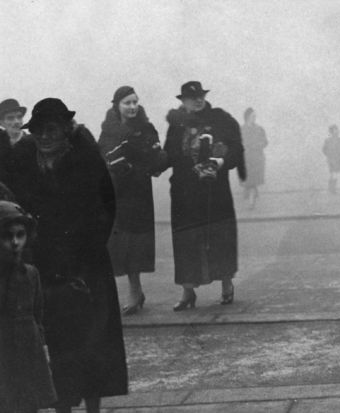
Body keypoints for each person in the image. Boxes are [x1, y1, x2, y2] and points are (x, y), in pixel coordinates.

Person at [5, 98, 128, 413]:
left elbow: (105, 208)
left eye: (51, 130)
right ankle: (63, 407)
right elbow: (17, 205)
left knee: (93, 344)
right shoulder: (25, 161)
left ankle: (93, 407)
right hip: (47, 267)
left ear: (64, 130)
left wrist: (83, 253)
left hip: (87, 267)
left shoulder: (85, 159)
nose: (44, 137)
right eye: (39, 131)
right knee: (59, 346)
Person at [164, 81, 245, 310]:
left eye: (200, 95)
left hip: (214, 191)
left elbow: (237, 150)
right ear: (183, 101)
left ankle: (226, 285)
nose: (197, 100)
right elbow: (168, 154)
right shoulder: (177, 124)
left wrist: (221, 161)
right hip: (185, 193)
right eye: (192, 97)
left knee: (220, 236)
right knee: (186, 241)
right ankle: (187, 291)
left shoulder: (221, 119)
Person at [98, 86, 167, 316]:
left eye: (135, 102)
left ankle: (135, 290)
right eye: (127, 102)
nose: (132, 107)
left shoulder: (146, 128)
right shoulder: (108, 130)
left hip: (138, 192)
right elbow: (102, 156)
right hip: (117, 193)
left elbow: (157, 160)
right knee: (120, 242)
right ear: (117, 105)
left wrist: (153, 160)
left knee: (136, 241)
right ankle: (133, 290)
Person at [0, 200, 57, 413]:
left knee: (29, 404)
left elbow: (37, 315)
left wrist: (43, 348)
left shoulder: (31, 274)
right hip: (3, 355)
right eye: (6, 236)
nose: (15, 242)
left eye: (20, 235)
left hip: (28, 352)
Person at [240, 107, 268, 209]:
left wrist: (259, 144)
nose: (254, 118)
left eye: (255, 116)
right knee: (250, 181)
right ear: (247, 117)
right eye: (252, 116)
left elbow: (265, 142)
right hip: (246, 159)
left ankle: (251, 202)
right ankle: (251, 194)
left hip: (257, 159)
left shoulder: (259, 129)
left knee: (252, 181)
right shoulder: (241, 130)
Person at [322, 124, 340, 193]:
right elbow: (324, 150)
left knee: (336, 173)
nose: (337, 131)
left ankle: (333, 188)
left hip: (338, 159)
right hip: (331, 159)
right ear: (331, 131)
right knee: (332, 173)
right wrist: (329, 155)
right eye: (335, 130)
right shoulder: (328, 140)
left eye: (337, 129)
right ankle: (331, 188)